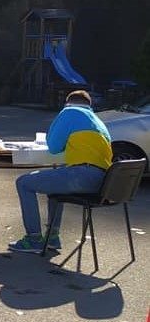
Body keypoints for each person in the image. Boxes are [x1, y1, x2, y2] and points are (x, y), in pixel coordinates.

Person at [8, 90, 111, 253]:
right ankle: (52, 237)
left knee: (23, 183)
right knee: (56, 180)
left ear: (67, 103)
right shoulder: (98, 121)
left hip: (82, 175)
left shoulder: (69, 112)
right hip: (103, 181)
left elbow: (54, 147)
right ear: (89, 105)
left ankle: (33, 238)